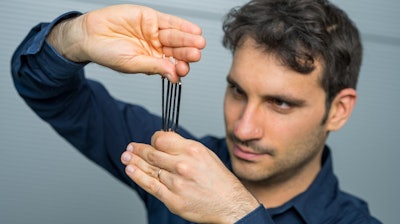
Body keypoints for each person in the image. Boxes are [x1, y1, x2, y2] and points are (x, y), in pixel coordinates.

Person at [11, 0, 382, 223]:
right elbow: (46, 90)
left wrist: (238, 213)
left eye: (280, 103)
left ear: (338, 109)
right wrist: (74, 38)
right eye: (237, 90)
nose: (244, 127)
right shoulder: (175, 161)